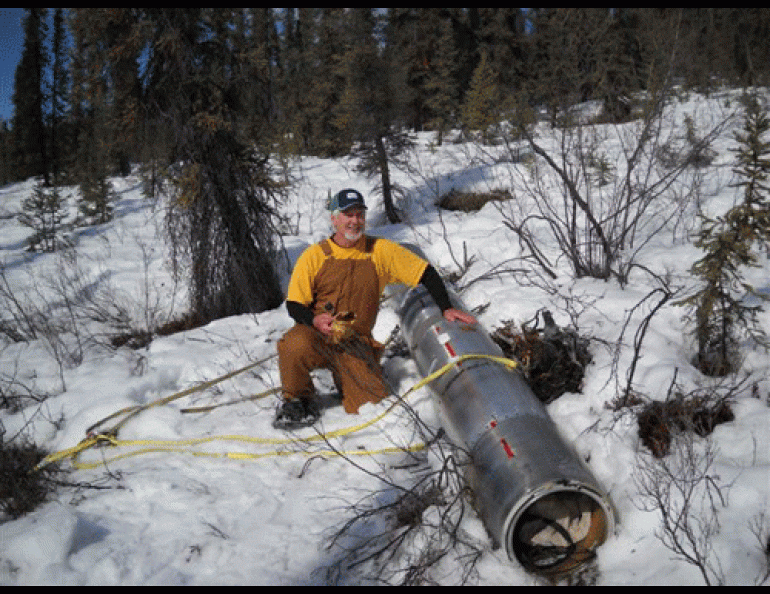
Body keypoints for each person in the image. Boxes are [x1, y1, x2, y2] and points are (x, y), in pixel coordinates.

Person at [274, 188, 476, 429]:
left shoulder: (380, 251)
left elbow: (425, 272)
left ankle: (348, 378)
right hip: (318, 335)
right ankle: (298, 398)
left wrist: (445, 308)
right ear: (334, 219)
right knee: (295, 344)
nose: (354, 221)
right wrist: (315, 320)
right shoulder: (314, 256)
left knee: (370, 403)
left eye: (359, 215)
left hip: (355, 342)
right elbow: (294, 304)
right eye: (347, 215)